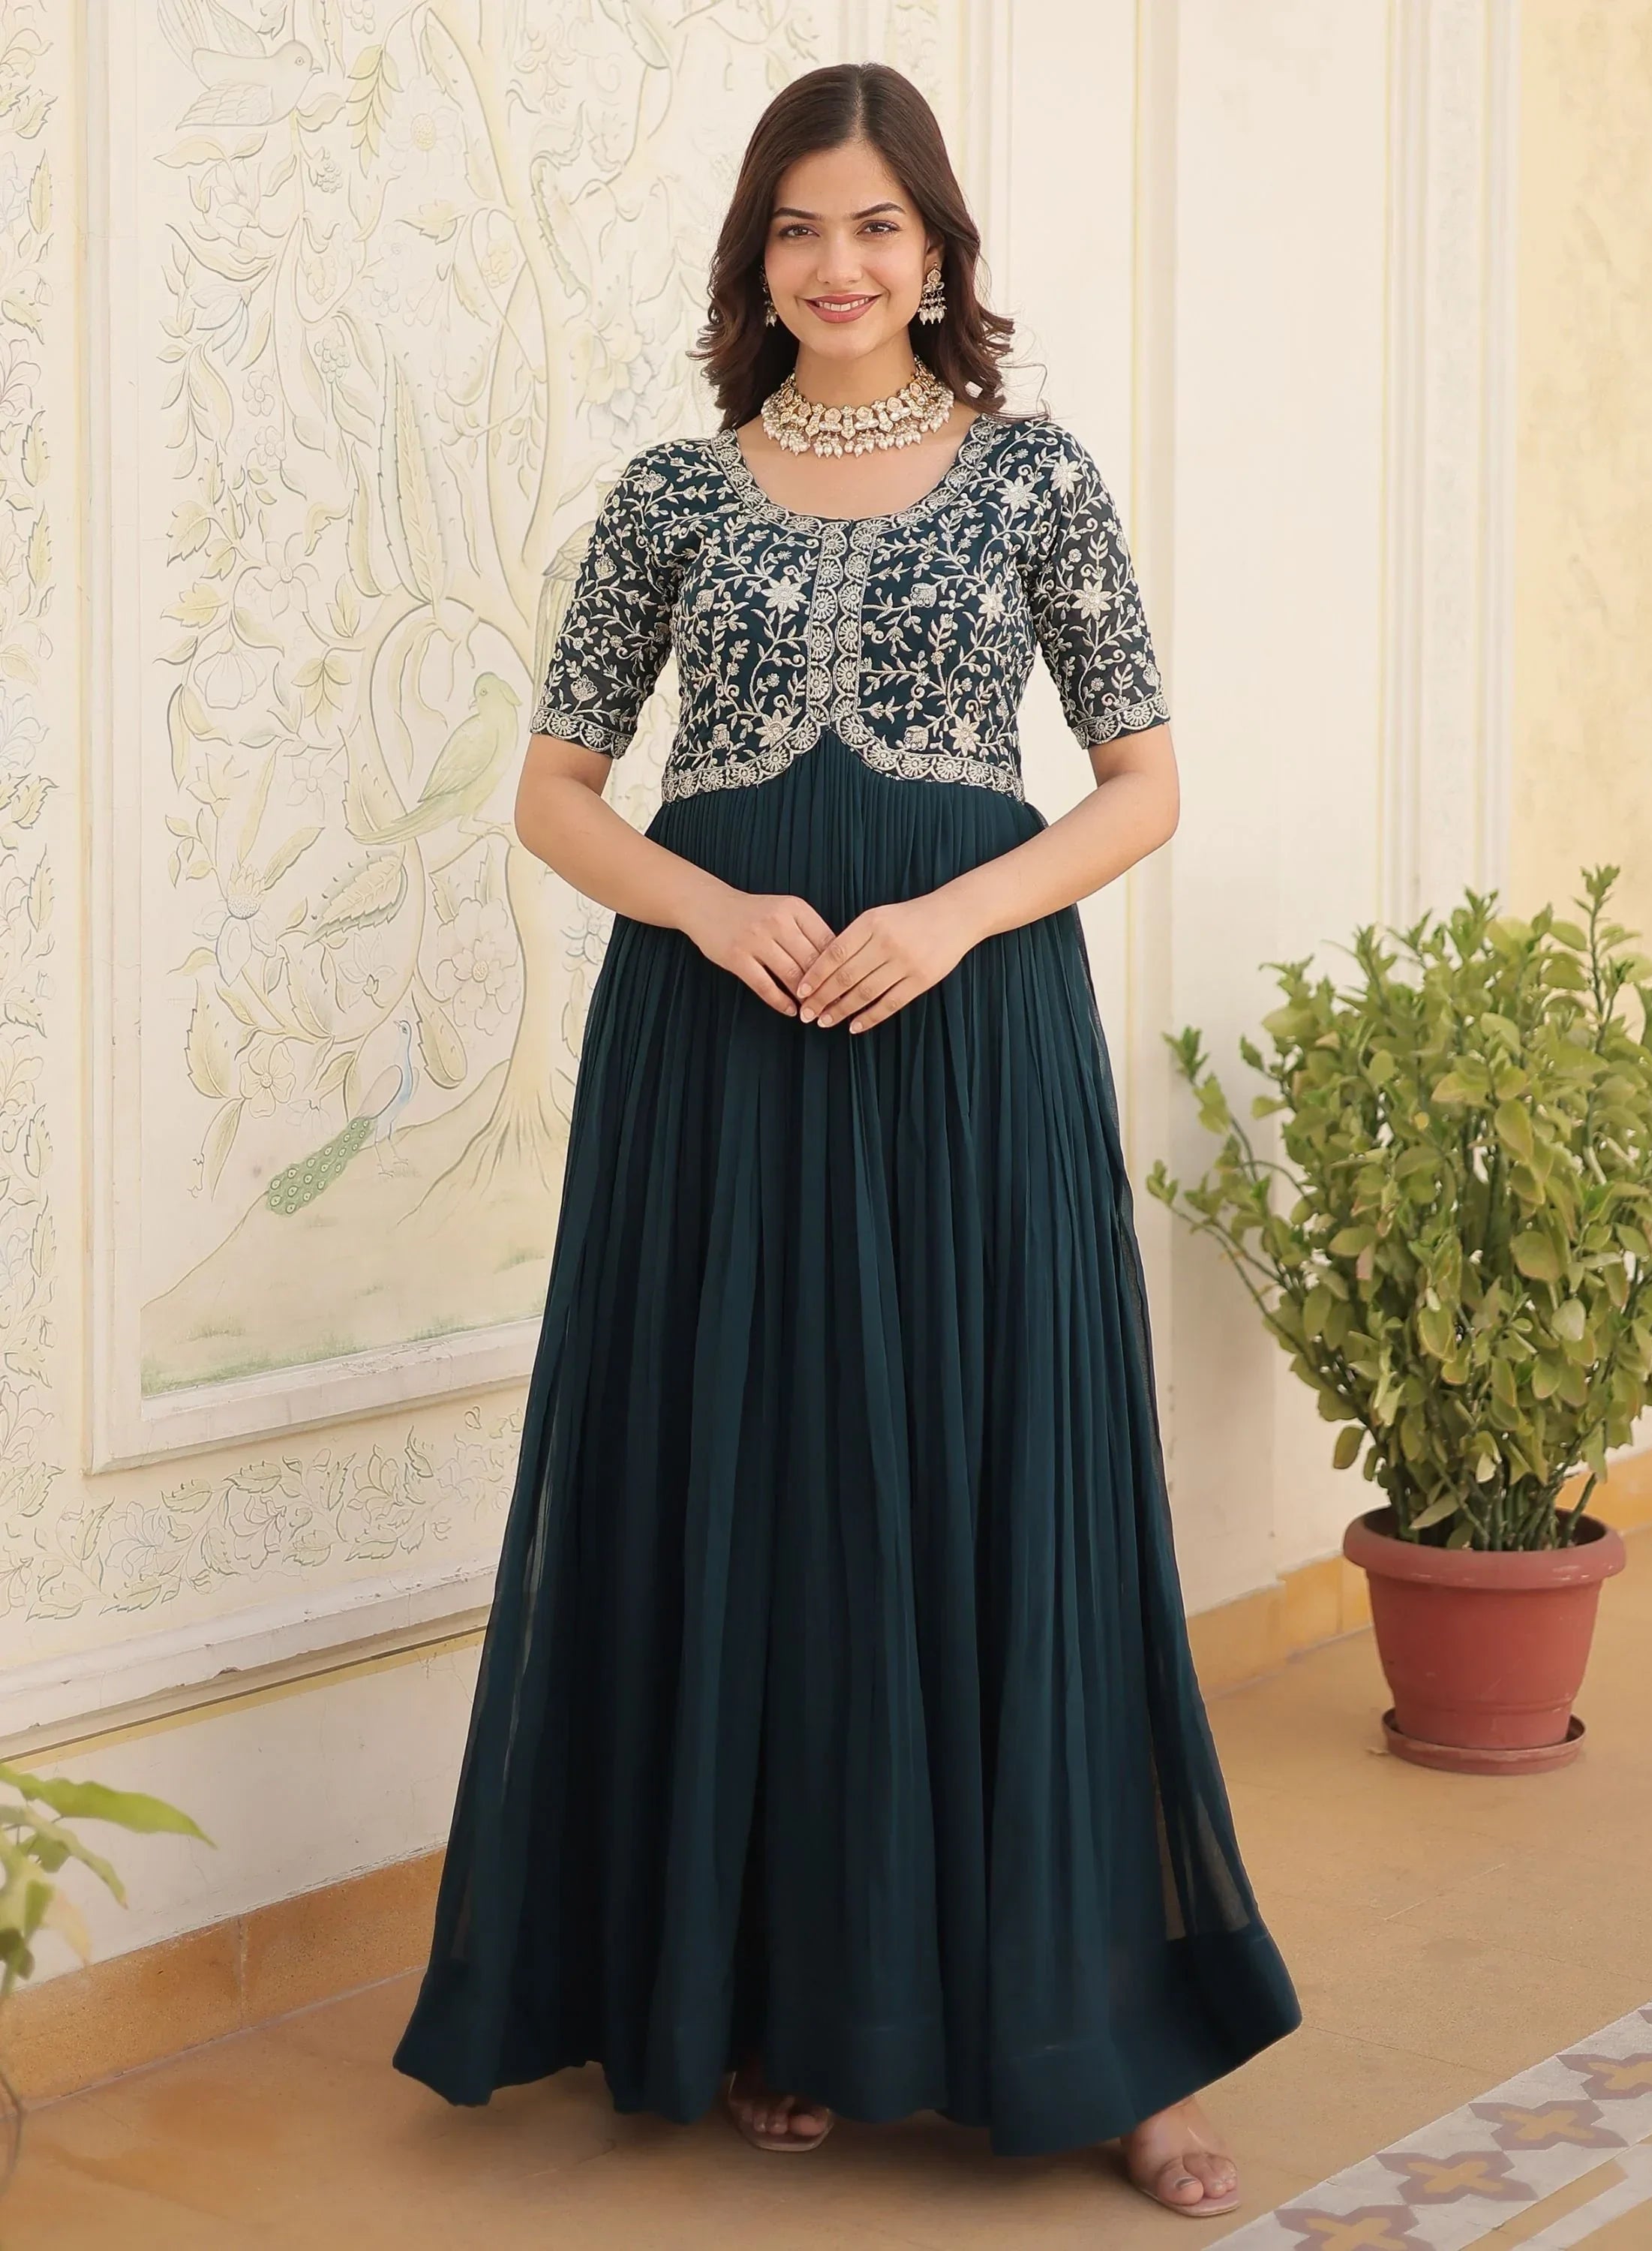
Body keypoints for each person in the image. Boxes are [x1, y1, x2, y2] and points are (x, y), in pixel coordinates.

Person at [393, 59, 1300, 2221]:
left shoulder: (1034, 478)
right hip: (714, 1067)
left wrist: (948, 918)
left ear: (939, 250)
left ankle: (1101, 2050)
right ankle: (782, 2001)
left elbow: (1138, 782)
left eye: (878, 225)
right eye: (798, 225)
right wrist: (707, 911)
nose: (837, 264)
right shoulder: (666, 496)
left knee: (1010, 1492)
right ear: (753, 249)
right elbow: (554, 793)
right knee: (760, 1490)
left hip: (961, 1042)